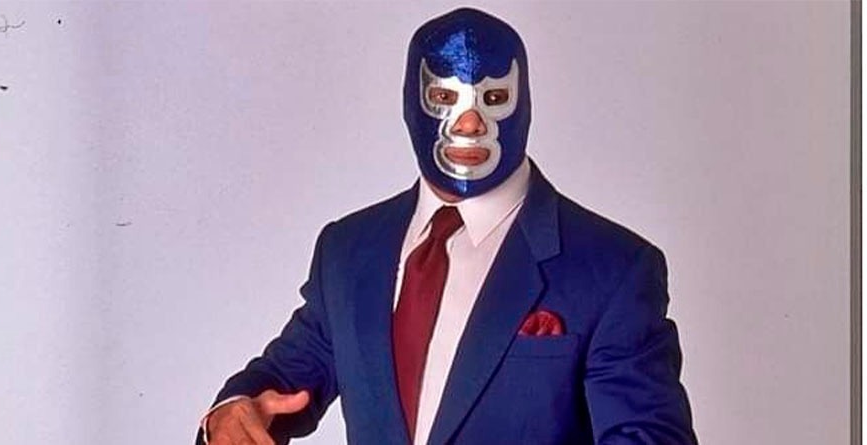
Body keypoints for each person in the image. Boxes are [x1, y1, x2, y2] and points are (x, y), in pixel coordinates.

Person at [197, 7, 697, 445]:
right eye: (444, 96)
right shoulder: (347, 251)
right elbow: (284, 379)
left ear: (523, 100)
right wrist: (232, 412)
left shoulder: (614, 268)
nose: (470, 124)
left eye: (493, 98)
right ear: (412, 100)